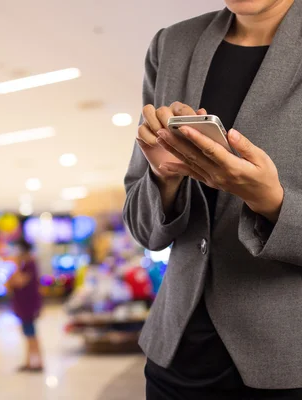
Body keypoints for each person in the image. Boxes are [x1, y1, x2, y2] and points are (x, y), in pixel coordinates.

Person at [123, 0, 302, 398]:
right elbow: (142, 228)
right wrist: (163, 177)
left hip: (287, 365)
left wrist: (272, 202)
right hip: (177, 357)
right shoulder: (172, 44)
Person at [7, 238, 43, 372]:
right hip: (23, 306)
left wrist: (15, 266)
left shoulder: (29, 265)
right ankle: (29, 362)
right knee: (28, 334)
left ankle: (38, 362)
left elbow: (18, 282)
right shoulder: (25, 265)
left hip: (29, 306)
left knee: (31, 334)